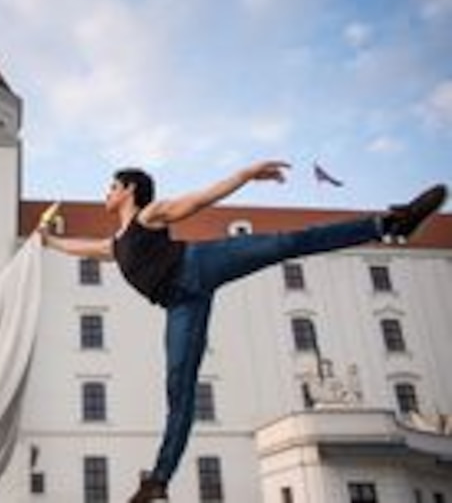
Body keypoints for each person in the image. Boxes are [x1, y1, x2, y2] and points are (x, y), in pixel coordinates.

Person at [38, 160, 447, 502]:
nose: (106, 193)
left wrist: (246, 175)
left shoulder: (149, 215)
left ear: (129, 189)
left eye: (111, 186)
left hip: (198, 264)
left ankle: (390, 224)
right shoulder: (115, 243)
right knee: (179, 388)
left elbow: (199, 200)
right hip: (182, 305)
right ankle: (159, 480)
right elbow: (79, 247)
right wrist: (49, 242)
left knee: (285, 243)